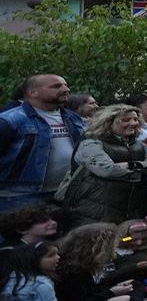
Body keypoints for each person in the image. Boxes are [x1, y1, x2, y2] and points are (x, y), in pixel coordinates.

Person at [62, 105, 147, 225]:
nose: (133, 123)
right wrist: (143, 167)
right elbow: (107, 169)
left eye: (135, 119)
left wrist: (129, 166)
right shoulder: (91, 143)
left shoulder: (138, 145)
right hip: (94, 208)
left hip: (132, 208)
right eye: (126, 120)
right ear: (108, 122)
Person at [0, 73, 84, 212]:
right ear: (33, 92)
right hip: (19, 197)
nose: (66, 89)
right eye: (56, 86)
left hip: (65, 192)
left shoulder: (73, 118)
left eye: (66, 85)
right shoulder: (10, 120)